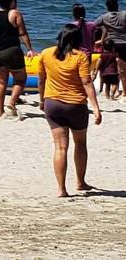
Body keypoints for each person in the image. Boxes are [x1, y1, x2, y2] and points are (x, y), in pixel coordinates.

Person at [38, 24, 102, 197]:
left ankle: (61, 189)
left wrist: (42, 100)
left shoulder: (46, 53)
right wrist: (96, 108)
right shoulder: (80, 56)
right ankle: (80, 182)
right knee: (80, 143)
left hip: (52, 104)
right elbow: (86, 82)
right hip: (75, 106)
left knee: (60, 147)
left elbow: (41, 80)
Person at [0, 0, 34, 119]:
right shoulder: (15, 14)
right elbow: (23, 33)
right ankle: (11, 103)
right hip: (11, 51)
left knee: (0, 81)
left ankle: (0, 111)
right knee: (20, 79)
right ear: (11, 1)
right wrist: (29, 48)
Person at [93, 0, 126, 103]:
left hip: (110, 45)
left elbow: (92, 26)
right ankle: (123, 92)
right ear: (117, 5)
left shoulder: (104, 17)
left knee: (116, 69)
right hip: (124, 44)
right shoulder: (124, 14)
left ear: (107, 7)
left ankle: (116, 92)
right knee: (122, 70)